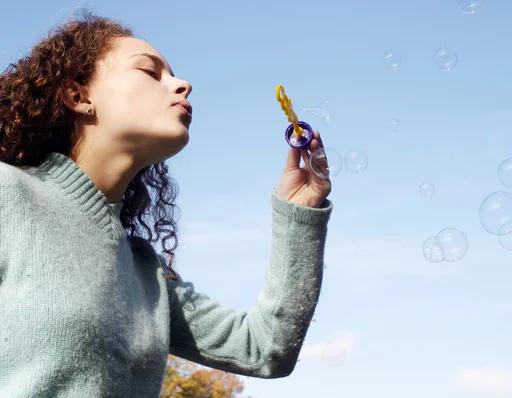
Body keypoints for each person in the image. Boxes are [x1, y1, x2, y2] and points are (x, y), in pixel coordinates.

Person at [0, 9, 333, 398]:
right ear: (79, 95)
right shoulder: (9, 194)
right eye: (150, 72)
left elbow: (266, 348)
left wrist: (301, 211)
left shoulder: (145, 270)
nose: (183, 84)